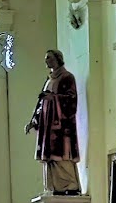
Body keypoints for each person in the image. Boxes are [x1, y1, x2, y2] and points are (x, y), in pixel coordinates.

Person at [26, 49, 82, 195]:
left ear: (58, 59)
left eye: (49, 58)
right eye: (46, 58)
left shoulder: (67, 77)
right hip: (47, 125)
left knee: (61, 154)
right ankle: (53, 186)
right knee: (50, 156)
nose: (46, 61)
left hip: (60, 126)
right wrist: (34, 121)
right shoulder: (49, 80)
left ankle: (68, 185)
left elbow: (71, 99)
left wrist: (54, 98)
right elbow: (41, 104)